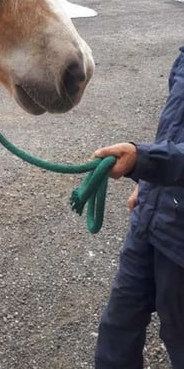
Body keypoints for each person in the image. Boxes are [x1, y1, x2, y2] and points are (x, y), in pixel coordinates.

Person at [93, 46, 184, 369]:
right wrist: (148, 181)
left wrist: (143, 160)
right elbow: (173, 128)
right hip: (151, 217)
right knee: (118, 327)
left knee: (179, 336)